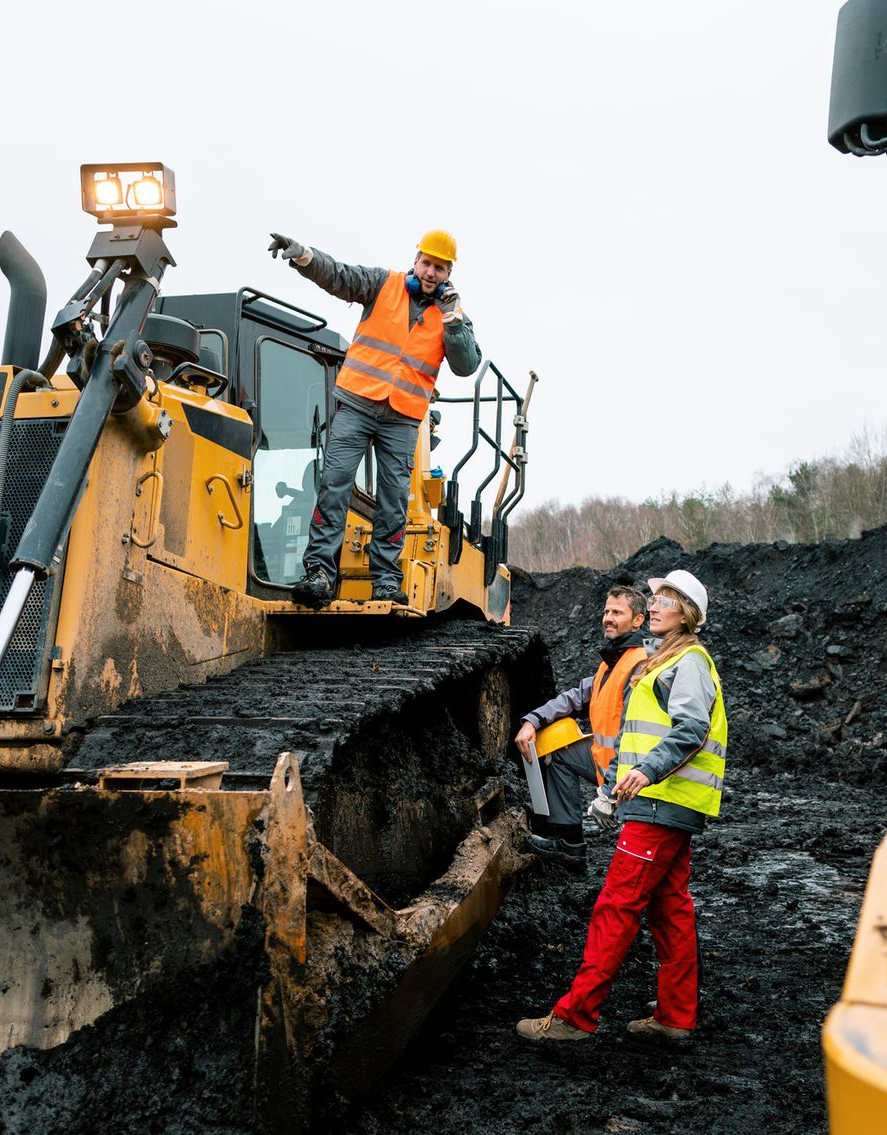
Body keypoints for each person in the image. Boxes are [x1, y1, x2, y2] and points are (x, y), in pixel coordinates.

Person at [516, 569, 727, 1044]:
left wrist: (645, 774)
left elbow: (690, 729)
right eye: (653, 599)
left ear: (687, 614)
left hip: (661, 803)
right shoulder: (659, 661)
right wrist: (611, 790)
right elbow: (633, 736)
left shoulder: (688, 662)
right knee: (670, 909)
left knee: (616, 906)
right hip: (662, 805)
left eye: (665, 599)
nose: (653, 606)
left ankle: (574, 1018)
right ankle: (675, 1016)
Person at [267, 229, 481, 606]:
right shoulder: (383, 284)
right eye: (427, 263)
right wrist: (302, 255)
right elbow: (339, 275)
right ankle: (319, 572)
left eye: (440, 268)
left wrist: (453, 321)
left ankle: (385, 579)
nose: (431, 272)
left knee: (394, 500)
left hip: (401, 418)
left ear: (449, 273)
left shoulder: (453, 316)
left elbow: (466, 365)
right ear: (415, 260)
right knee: (334, 483)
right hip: (358, 404)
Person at [513, 584, 651, 866]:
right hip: (608, 761)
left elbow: (632, 734)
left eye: (617, 612)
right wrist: (532, 721)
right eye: (606, 611)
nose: (608, 618)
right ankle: (569, 841)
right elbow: (575, 697)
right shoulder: (613, 662)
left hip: (632, 772)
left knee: (635, 857)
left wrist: (608, 794)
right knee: (558, 748)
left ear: (638, 620)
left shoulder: (639, 665)